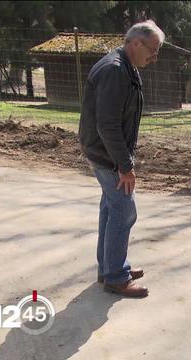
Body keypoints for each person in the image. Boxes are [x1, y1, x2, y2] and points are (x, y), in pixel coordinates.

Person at [78, 20, 164, 298]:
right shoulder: (115, 70)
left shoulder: (125, 67)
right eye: (153, 50)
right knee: (124, 211)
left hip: (103, 151)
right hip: (106, 154)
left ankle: (109, 267)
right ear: (135, 43)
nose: (155, 56)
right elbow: (108, 125)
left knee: (111, 207)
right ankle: (115, 276)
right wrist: (125, 166)